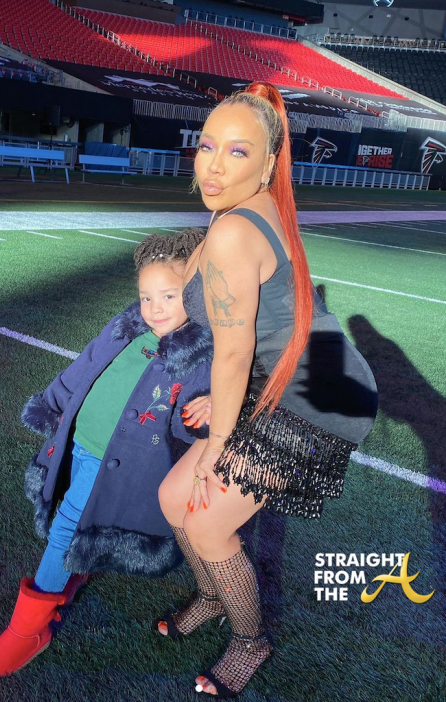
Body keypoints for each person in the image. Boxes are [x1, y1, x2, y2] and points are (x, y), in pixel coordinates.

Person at [157, 82, 378, 698]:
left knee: (206, 523)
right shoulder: (235, 212)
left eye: (237, 152)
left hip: (322, 397)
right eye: (206, 146)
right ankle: (213, 595)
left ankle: (250, 640)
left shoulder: (235, 228)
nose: (213, 166)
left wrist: (218, 444)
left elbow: (233, 352)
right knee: (174, 497)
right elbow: (228, 326)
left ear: (269, 162)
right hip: (286, 379)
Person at [0, 228, 213, 677]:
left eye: (168, 296)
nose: (154, 308)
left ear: (196, 294)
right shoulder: (128, 325)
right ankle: (72, 570)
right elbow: (86, 365)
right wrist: (54, 404)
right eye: (146, 297)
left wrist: (212, 410)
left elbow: (191, 423)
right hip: (80, 440)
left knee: (66, 526)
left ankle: (27, 630)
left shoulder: (201, 355)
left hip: (119, 461)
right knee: (69, 510)